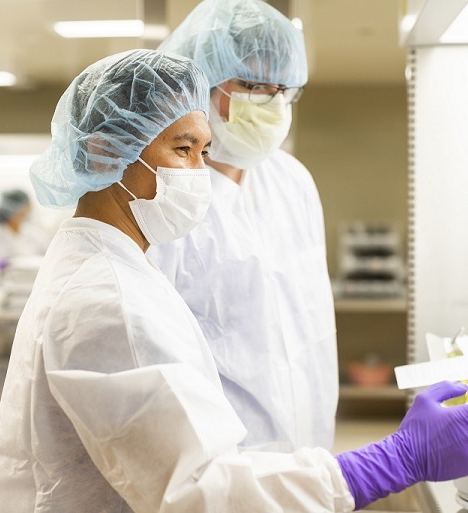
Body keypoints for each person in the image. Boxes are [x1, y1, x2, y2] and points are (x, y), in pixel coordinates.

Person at [0, 48, 468, 513]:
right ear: (108, 150)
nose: (200, 174)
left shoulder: (115, 262)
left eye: (204, 151)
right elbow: (199, 492)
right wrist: (394, 460)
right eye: (183, 149)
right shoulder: (108, 300)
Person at [147, 0, 336, 452]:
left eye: (281, 87)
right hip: (220, 462)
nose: (270, 101)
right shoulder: (166, 193)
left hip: (309, 449)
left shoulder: (293, 181)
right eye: (251, 83)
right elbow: (152, 353)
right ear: (199, 85)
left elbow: (309, 323)